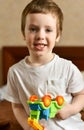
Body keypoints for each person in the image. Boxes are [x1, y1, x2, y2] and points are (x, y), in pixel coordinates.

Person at [3, 0, 84, 130]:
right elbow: (17, 106)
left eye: (48, 30)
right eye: (33, 29)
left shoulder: (67, 68)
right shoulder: (15, 72)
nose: (40, 35)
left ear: (57, 35)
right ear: (24, 33)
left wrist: (71, 109)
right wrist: (27, 126)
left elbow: (81, 95)